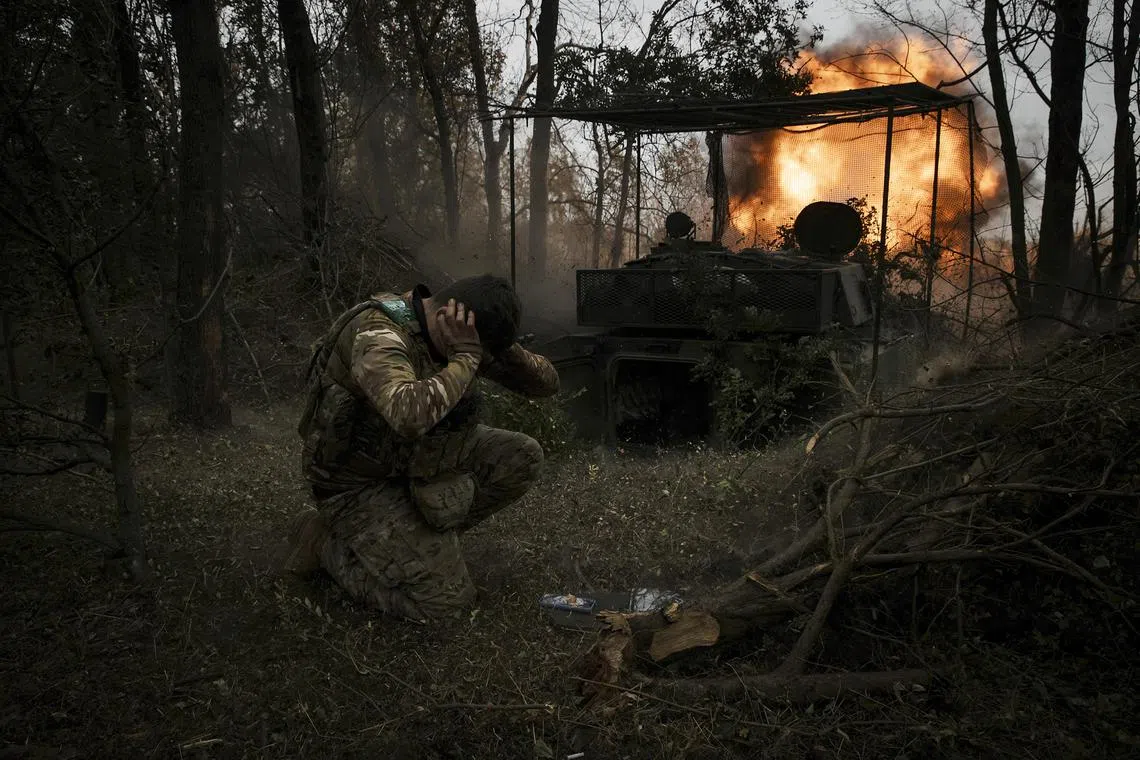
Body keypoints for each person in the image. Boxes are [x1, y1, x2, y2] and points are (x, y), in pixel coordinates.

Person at [287, 274, 560, 621]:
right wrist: (464, 359)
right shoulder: (378, 334)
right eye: (475, 350)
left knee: (521, 455)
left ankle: (416, 544)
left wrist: (504, 349)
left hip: (414, 460)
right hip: (355, 482)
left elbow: (547, 384)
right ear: (449, 317)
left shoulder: (459, 334)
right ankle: (323, 542)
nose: (478, 360)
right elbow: (408, 414)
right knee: (445, 607)